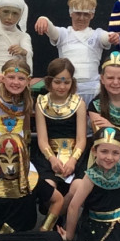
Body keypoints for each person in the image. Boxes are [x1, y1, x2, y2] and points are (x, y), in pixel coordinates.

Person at [35, 0, 111, 99]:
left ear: (92, 15)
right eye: (78, 13)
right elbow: (51, 30)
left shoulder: (97, 35)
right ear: (71, 13)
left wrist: (113, 37)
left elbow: (107, 38)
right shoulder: (63, 34)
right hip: (67, 89)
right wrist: (43, 19)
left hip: (94, 91)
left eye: (86, 14)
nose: (81, 18)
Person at [35, 56, 88, 189]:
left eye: (67, 82)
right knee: (48, 187)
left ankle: (66, 202)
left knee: (79, 186)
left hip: (76, 154)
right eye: (57, 82)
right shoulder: (41, 103)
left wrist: (73, 160)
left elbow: (81, 139)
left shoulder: (79, 103)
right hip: (48, 154)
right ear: (49, 81)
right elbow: (42, 139)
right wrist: (52, 159)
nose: (62, 87)